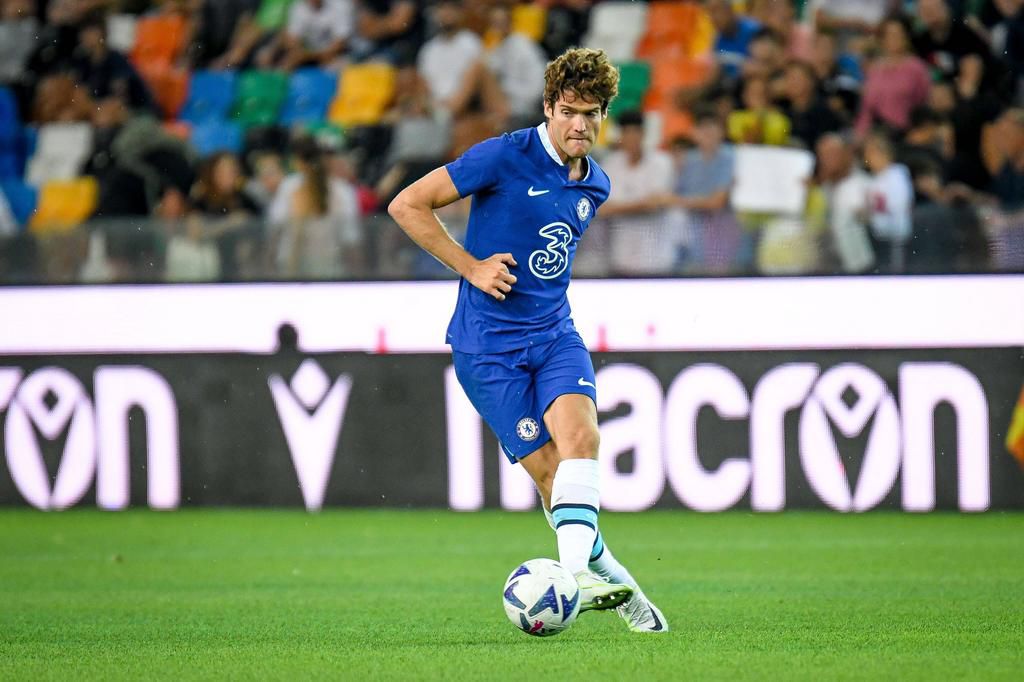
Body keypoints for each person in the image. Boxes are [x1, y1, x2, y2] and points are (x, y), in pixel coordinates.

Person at [387, 47, 667, 634]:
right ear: (548, 107)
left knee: (581, 439)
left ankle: (572, 582)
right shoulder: (504, 156)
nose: (579, 125)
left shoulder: (597, 185)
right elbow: (406, 204)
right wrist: (470, 266)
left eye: (591, 114)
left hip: (554, 335)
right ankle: (622, 588)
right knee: (550, 475)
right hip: (487, 350)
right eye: (568, 111)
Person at [601, 110, 681, 275]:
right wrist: (640, 204)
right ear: (621, 135)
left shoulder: (661, 162)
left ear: (643, 134)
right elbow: (601, 209)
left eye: (635, 132)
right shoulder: (610, 164)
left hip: (657, 257)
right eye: (627, 132)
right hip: (621, 256)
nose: (631, 138)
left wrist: (619, 207)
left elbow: (655, 204)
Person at [854, 15, 931, 137]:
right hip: (876, 135)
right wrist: (859, 134)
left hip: (905, 134)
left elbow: (923, 104)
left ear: (906, 37)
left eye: (898, 34)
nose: (893, 39)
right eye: (888, 35)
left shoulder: (917, 68)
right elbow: (866, 109)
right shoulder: (874, 69)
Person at [863, 129, 914, 271]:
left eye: (870, 153)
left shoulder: (897, 174)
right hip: (878, 236)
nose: (867, 158)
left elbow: (898, 205)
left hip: (896, 237)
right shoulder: (875, 179)